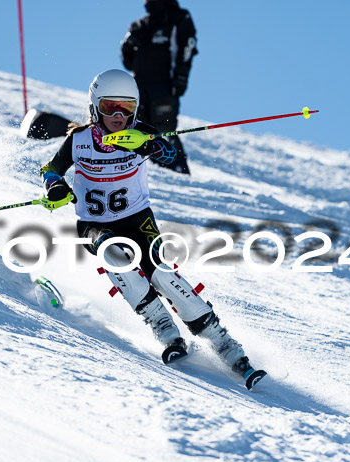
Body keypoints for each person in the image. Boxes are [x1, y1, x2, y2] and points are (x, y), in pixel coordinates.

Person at [39, 69, 266, 389]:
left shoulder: (140, 133)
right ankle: (163, 328)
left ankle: (223, 342)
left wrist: (151, 146)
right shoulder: (77, 141)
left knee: (161, 275)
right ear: (94, 107)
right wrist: (54, 188)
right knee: (115, 255)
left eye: (126, 107)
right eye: (109, 107)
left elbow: (170, 152)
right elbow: (51, 170)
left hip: (137, 219)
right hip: (93, 223)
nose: (119, 115)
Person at [120, 0, 197, 174]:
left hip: (164, 85)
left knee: (164, 129)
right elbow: (128, 61)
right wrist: (129, 44)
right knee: (138, 129)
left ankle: (178, 172)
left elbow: (188, 46)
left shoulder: (178, 18)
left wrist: (181, 77)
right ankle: (142, 173)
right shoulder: (141, 24)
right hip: (139, 87)